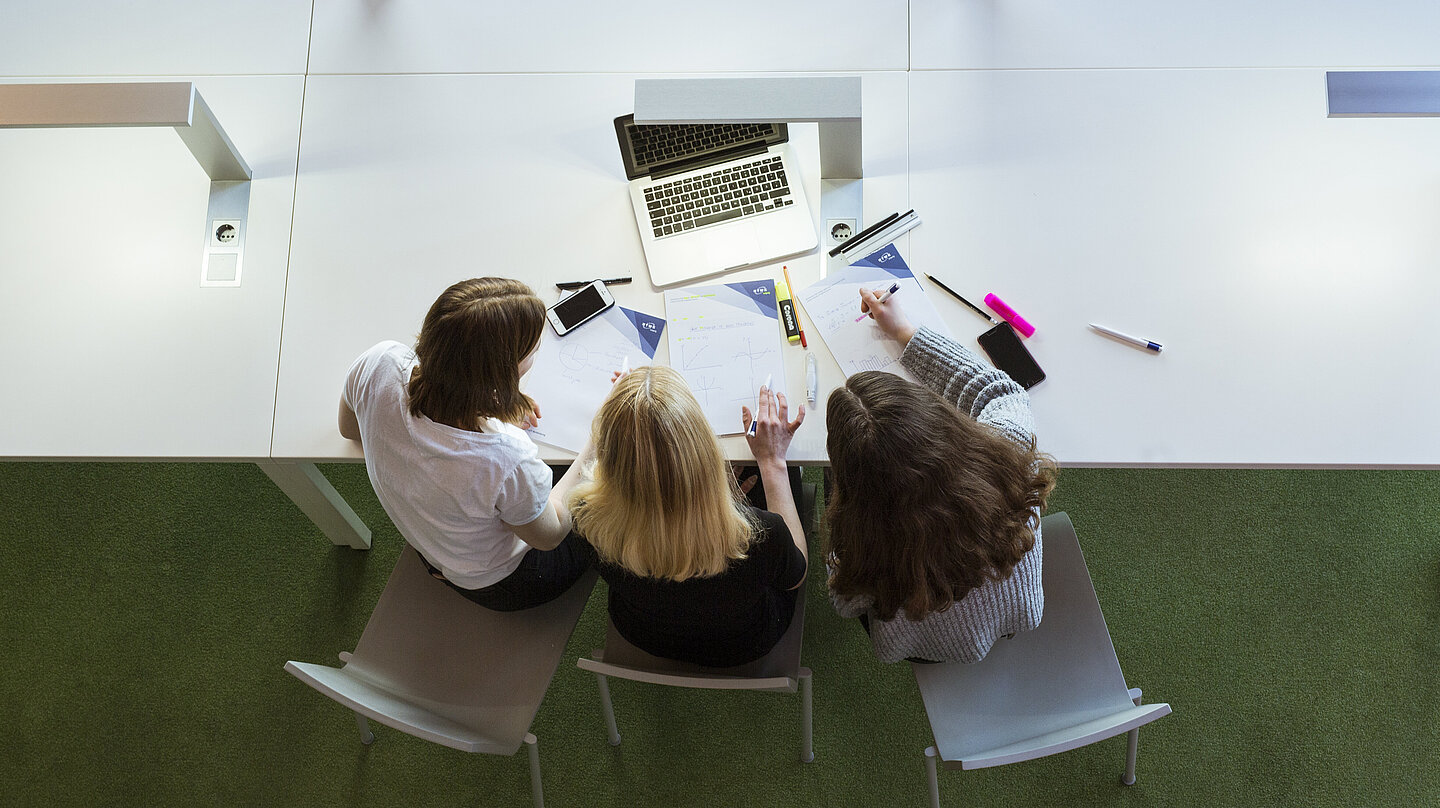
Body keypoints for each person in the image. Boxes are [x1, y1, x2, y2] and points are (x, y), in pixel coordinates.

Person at [825, 288, 1059, 664]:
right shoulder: (1010, 449)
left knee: (828, 493)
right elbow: (1002, 391)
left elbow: (843, 601)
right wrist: (906, 333)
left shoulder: (862, 548)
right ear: (939, 420)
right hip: (1020, 609)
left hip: (930, 648)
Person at [339, 277, 594, 611]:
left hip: (436, 548)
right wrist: (595, 441)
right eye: (532, 351)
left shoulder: (380, 362)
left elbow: (349, 428)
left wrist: (488, 409)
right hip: (504, 582)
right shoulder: (505, 458)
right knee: (609, 491)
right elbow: (551, 534)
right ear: (501, 375)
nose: (536, 352)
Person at [567, 366, 808, 668]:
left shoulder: (586, 517)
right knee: (779, 477)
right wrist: (772, 463)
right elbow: (795, 578)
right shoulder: (764, 535)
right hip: (742, 642)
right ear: (704, 451)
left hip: (643, 631)